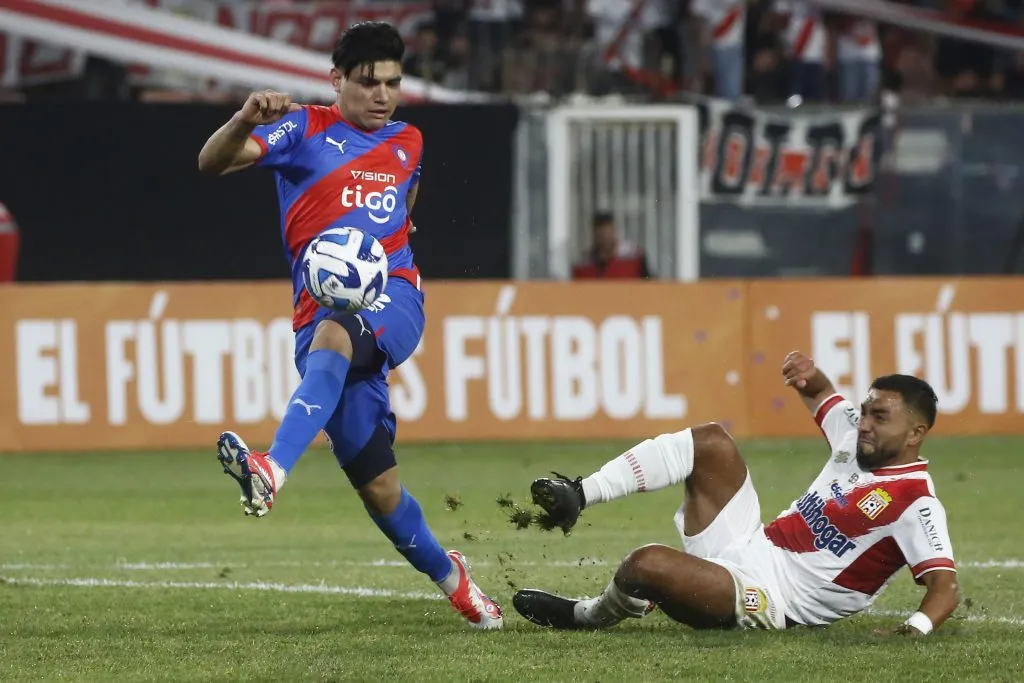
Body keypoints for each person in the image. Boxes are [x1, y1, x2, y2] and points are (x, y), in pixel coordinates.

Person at [197, 21, 502, 630]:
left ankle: (272, 470)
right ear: (336, 79)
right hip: (319, 327)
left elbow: (403, 210)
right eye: (369, 83)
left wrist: (386, 251)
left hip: (395, 299)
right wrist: (244, 119)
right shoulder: (302, 129)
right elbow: (211, 164)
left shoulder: (408, 140)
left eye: (393, 82)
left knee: (340, 327)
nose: (383, 95)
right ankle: (454, 578)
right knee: (381, 493)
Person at [514, 351, 960, 635]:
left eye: (879, 417)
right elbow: (822, 392)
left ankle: (587, 615)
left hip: (773, 599)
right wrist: (809, 375)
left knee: (644, 563)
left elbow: (945, 587)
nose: (863, 423)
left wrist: (914, 630)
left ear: (916, 432)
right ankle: (580, 493)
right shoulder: (855, 437)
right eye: (864, 412)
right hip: (748, 543)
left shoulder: (916, 502)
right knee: (711, 441)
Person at [571, 212, 653, 280]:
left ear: (615, 232)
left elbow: (650, 283)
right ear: (594, 236)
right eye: (601, 235)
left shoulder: (634, 257)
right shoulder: (584, 264)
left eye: (608, 234)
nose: (605, 240)